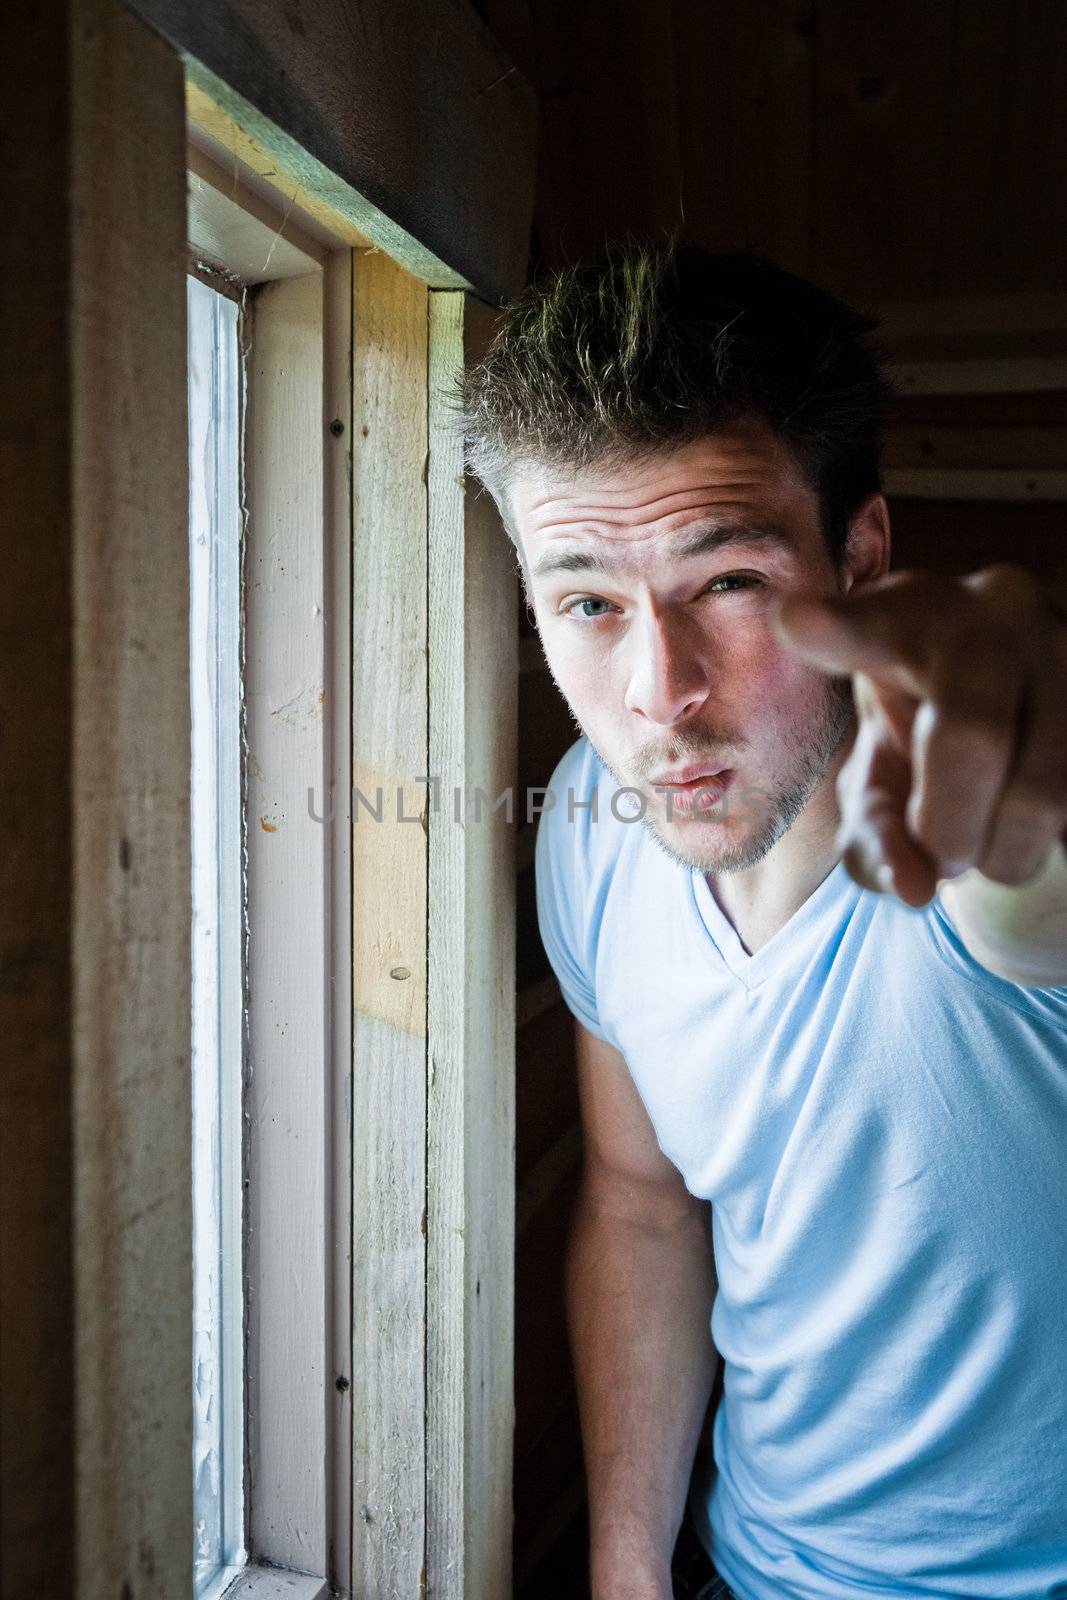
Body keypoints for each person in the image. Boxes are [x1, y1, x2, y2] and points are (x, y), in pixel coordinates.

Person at [460, 241, 1067, 1600]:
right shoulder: (593, 820)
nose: (659, 692)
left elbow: (1034, 884)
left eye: (726, 584)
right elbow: (641, 1204)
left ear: (859, 556)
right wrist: (629, 1574)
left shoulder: (970, 840)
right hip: (757, 1570)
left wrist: (1038, 733)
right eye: (588, 604)